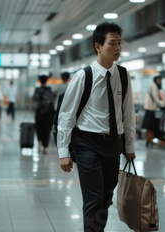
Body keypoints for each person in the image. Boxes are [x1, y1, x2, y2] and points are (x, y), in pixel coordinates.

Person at [56, 22, 136, 231]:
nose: (118, 48)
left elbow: (128, 113)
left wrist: (129, 146)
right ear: (98, 46)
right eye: (112, 43)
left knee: (106, 197)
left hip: (114, 145)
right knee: (94, 198)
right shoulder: (84, 76)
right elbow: (66, 115)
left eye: (119, 43)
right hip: (87, 144)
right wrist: (63, 151)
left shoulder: (124, 75)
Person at [32, 75, 55, 154]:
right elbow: (52, 102)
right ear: (46, 80)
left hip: (39, 113)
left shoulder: (37, 90)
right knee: (47, 130)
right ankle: (45, 147)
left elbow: (34, 101)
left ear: (40, 81)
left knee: (39, 128)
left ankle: (39, 143)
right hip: (48, 114)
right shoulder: (49, 90)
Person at [141, 76, 165, 147]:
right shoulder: (154, 86)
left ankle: (149, 140)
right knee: (151, 127)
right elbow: (155, 98)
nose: (159, 81)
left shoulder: (151, 85)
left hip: (149, 109)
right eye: (158, 80)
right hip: (151, 109)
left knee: (149, 127)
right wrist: (163, 104)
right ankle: (150, 140)